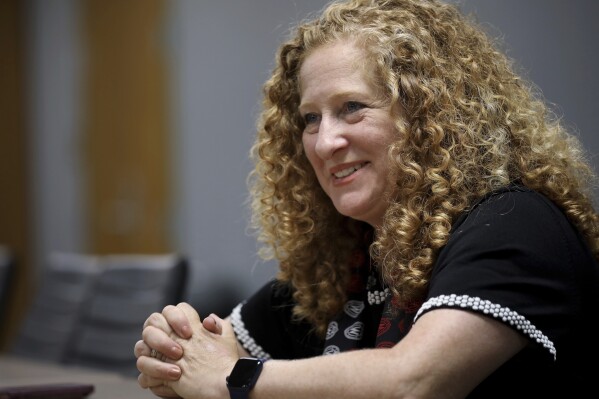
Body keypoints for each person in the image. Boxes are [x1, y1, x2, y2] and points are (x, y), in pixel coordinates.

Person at [134, 0, 599, 397]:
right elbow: (217, 349)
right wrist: (174, 350)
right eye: (311, 118)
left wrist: (234, 378)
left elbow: (412, 381)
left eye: (351, 108)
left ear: (428, 113)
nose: (324, 142)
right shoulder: (348, 251)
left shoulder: (515, 222)